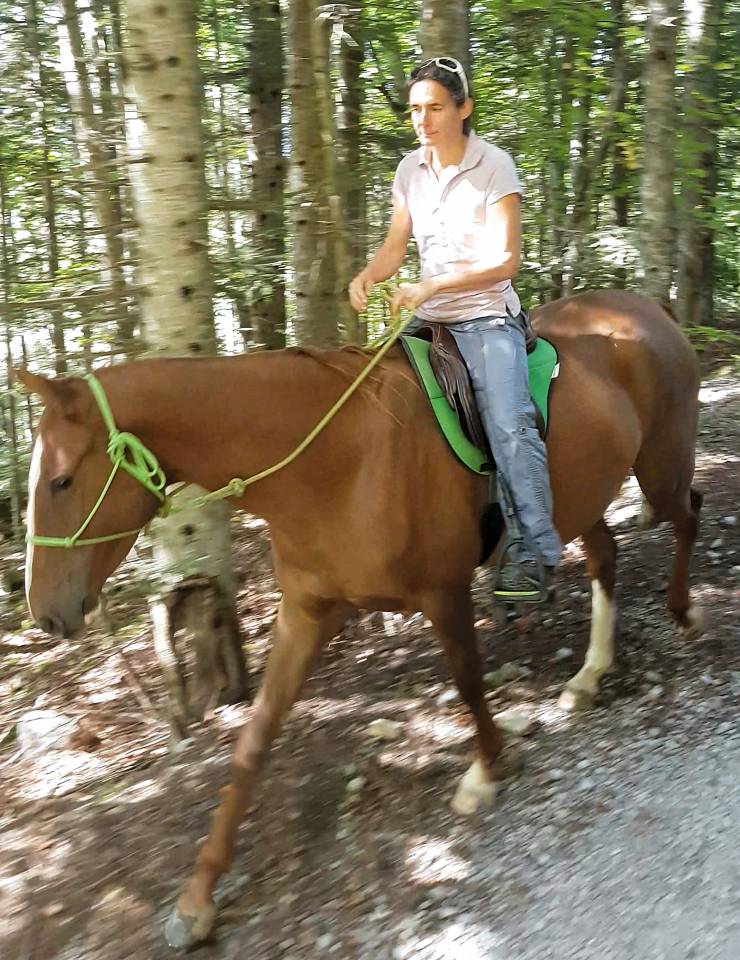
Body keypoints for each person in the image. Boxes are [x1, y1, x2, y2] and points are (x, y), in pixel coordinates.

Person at [348, 56, 561, 600]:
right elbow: (397, 245)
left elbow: (506, 260)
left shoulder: (495, 165)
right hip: (431, 317)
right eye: (415, 109)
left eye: (435, 107)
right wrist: (370, 273)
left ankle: (533, 552)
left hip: (486, 315)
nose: (423, 119)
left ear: (464, 109)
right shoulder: (409, 170)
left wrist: (433, 287)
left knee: (510, 422)